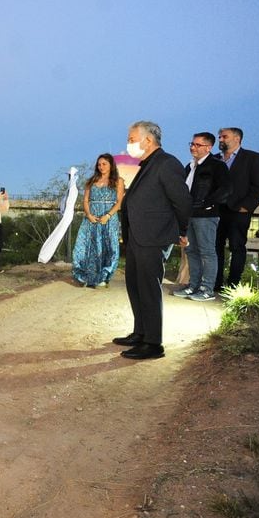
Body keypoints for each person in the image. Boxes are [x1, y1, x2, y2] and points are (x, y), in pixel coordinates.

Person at [113, 121, 192, 360]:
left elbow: (182, 201)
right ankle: (140, 332)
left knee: (148, 289)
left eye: (132, 138)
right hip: (137, 236)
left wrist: (181, 230)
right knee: (135, 287)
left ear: (148, 140)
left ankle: (153, 343)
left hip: (154, 236)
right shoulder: (144, 164)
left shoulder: (167, 163)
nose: (128, 143)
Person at [173, 132, 230, 302]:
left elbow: (226, 189)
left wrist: (207, 203)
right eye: (192, 143)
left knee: (207, 252)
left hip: (206, 216)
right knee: (191, 250)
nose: (193, 147)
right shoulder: (190, 166)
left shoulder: (217, 165)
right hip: (189, 215)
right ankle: (193, 285)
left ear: (208, 147)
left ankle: (207, 289)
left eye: (197, 145)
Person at [214, 127, 259, 291]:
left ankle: (232, 285)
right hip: (216, 210)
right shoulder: (215, 159)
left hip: (238, 211)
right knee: (215, 247)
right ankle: (215, 284)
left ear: (237, 138)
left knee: (237, 247)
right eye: (219, 137)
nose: (220, 139)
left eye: (224, 136)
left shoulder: (253, 158)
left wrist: (246, 206)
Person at [72, 154, 125, 287]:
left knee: (109, 247)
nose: (101, 167)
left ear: (111, 165)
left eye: (104, 164)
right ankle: (84, 276)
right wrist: (89, 214)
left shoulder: (119, 181)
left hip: (109, 218)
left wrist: (108, 215)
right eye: (99, 164)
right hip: (91, 218)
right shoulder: (91, 181)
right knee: (84, 246)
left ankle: (104, 276)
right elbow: (85, 200)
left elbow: (119, 202)